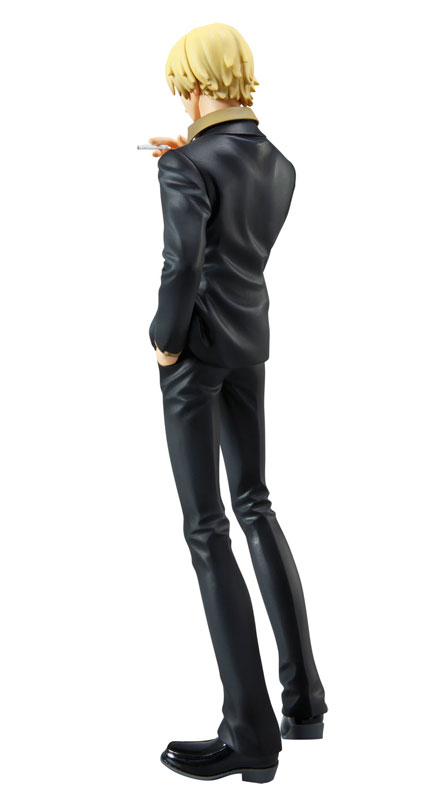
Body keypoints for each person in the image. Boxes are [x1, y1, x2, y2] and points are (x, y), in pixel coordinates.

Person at [147, 22, 328, 783]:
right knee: (255, 504)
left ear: (195, 83)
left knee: (205, 528)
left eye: (180, 86)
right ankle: (303, 702)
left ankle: (249, 733)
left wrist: (163, 339)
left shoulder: (186, 165)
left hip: (194, 352)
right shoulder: (279, 163)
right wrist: (188, 158)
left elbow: (183, 262)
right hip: (250, 342)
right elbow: (235, 234)